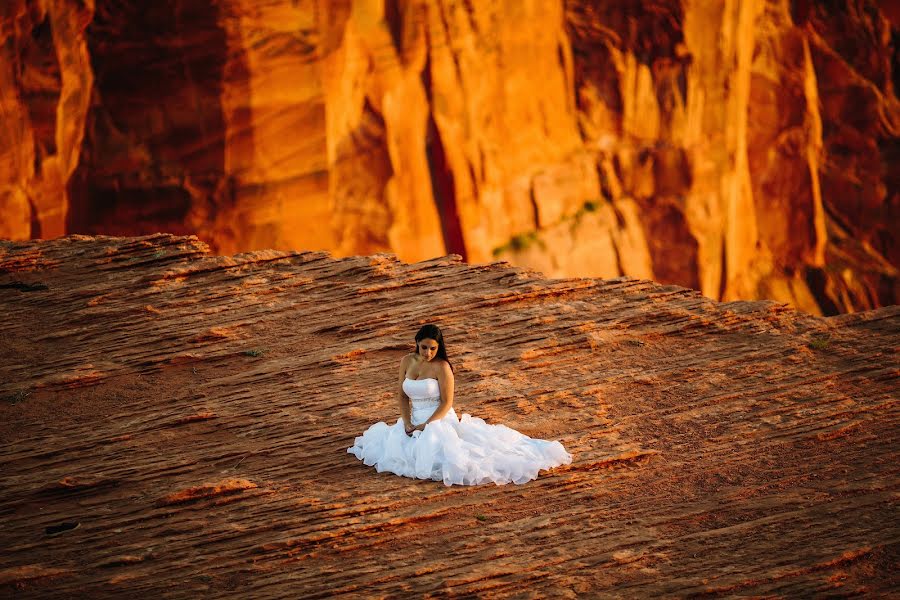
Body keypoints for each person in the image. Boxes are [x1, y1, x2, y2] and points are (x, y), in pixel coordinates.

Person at [347, 324, 573, 486]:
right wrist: (407, 421)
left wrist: (426, 425)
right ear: (416, 342)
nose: (428, 352)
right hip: (412, 417)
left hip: (437, 418)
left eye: (433, 348)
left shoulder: (442, 367)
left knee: (443, 454)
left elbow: (446, 403)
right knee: (393, 446)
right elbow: (402, 395)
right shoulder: (407, 361)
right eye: (424, 347)